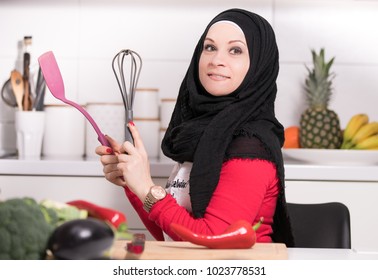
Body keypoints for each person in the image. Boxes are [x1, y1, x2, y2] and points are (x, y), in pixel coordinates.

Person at [96, 8, 294, 246]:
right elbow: (173, 235)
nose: (216, 60)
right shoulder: (206, 135)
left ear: (259, 65)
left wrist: (147, 188)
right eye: (209, 47)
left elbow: (210, 240)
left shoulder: (250, 146)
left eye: (235, 50)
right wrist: (133, 182)